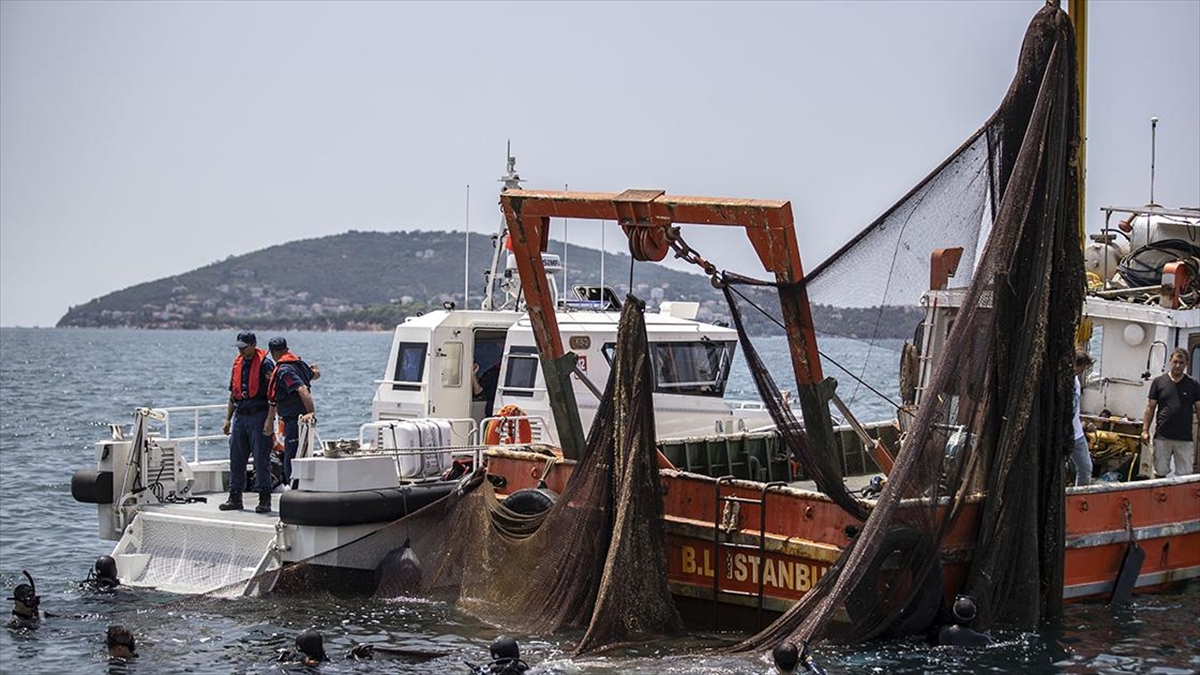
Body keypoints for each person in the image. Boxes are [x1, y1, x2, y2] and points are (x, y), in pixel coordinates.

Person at [222, 331, 275, 513]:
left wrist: (270, 420)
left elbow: (272, 396)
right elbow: (232, 394)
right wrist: (227, 419)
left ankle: (264, 499)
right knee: (236, 458)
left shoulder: (265, 364)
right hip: (240, 416)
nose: (241, 351)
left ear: (253, 345)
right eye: (239, 348)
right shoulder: (237, 364)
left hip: (259, 416)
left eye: (244, 347)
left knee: (261, 458)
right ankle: (235, 497)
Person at [1141, 348, 1200, 478]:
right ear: (1170, 361)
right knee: (1159, 473)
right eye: (1175, 362)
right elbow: (1150, 407)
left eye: (1181, 362)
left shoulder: (1193, 384)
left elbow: (1199, 408)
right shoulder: (1158, 382)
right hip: (1162, 437)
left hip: (1184, 438)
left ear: (1187, 364)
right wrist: (1145, 430)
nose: (1178, 365)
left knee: (1185, 477)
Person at [266, 337, 317, 486]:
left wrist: (310, 412)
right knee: (299, 454)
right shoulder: (299, 364)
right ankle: (298, 486)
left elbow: (302, 389)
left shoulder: (284, 371)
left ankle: (293, 488)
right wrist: (316, 370)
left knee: (291, 457)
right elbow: (315, 374)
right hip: (296, 421)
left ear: (274, 353)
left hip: (296, 420)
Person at [1070, 351, 1094, 486]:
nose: (1083, 371)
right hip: (1064, 434)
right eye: (1083, 367)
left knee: (1085, 468)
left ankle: (1081, 498)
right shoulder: (1063, 381)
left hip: (1077, 433)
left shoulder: (1076, 381)